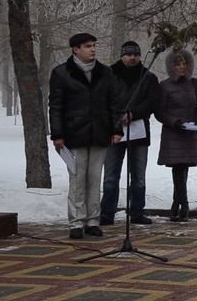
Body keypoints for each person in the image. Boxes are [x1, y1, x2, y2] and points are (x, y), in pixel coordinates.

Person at [49, 33, 123, 239]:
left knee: (94, 178)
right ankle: (76, 221)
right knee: (77, 179)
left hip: (100, 132)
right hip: (74, 133)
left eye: (94, 46)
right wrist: (58, 134)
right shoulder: (62, 73)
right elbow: (55, 106)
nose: (93, 49)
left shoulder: (105, 72)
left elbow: (114, 103)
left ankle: (92, 221)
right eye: (87, 46)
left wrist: (117, 130)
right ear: (75, 49)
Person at [99, 41, 159, 226]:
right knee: (111, 174)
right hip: (114, 130)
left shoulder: (148, 77)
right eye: (128, 54)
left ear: (140, 56)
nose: (132, 58)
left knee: (138, 175)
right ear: (122, 55)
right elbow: (103, 100)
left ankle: (137, 211)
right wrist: (119, 115)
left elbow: (152, 102)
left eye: (136, 54)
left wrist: (134, 113)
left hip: (139, 130)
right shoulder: (108, 74)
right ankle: (107, 213)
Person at [155, 50, 197, 222]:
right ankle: (182, 204)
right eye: (177, 64)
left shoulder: (194, 83)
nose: (181, 67)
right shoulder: (164, 85)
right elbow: (159, 112)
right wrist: (176, 122)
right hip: (174, 132)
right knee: (177, 167)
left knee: (184, 167)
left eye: (184, 64)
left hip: (191, 132)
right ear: (171, 66)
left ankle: (177, 203)